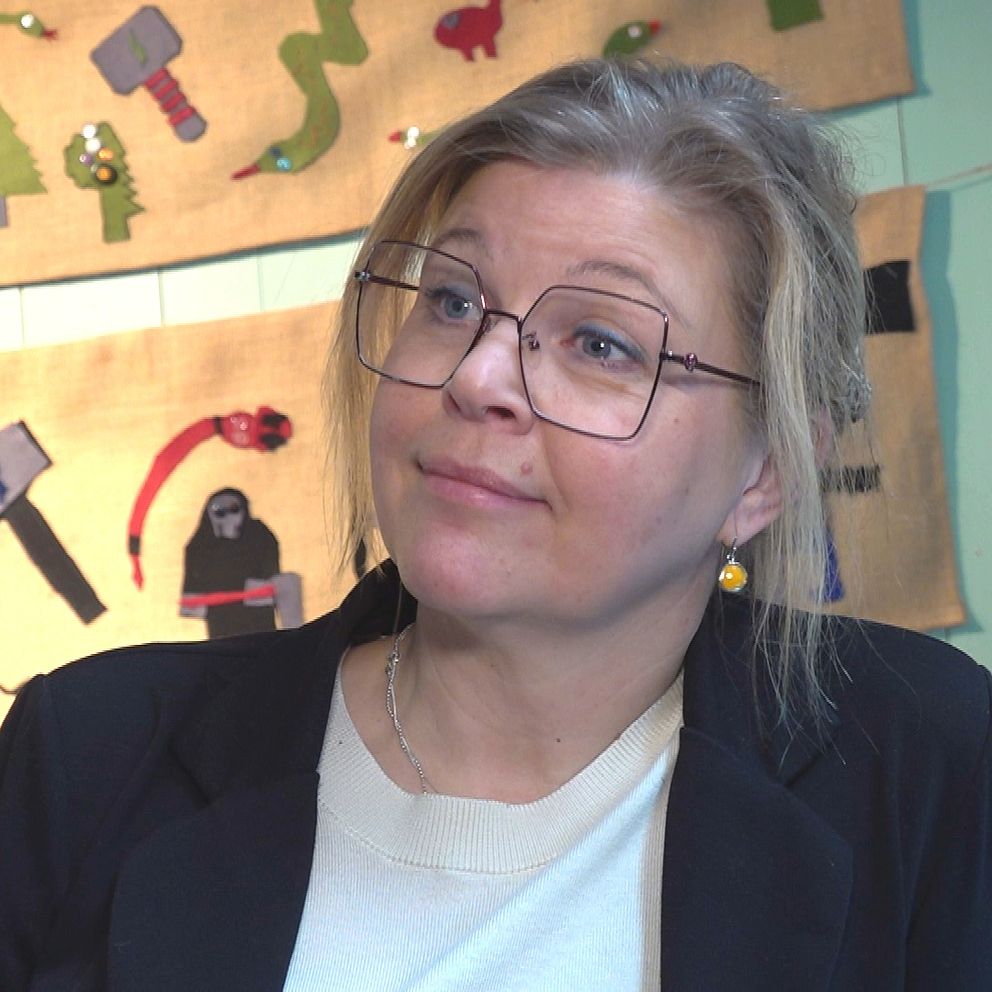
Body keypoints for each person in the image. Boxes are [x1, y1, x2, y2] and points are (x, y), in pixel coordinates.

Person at [1, 58, 989, 991]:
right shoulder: (86, 754)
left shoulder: (928, 764)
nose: (476, 376)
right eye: (451, 299)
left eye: (600, 341)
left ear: (764, 471)